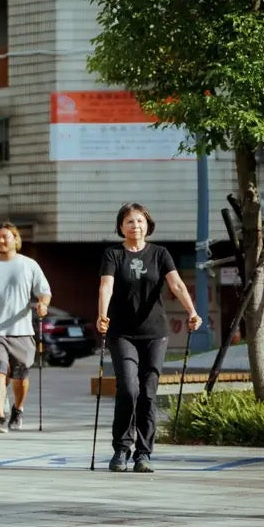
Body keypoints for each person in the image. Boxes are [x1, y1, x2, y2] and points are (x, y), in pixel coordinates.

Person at [97, 202, 201, 473]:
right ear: (121, 226)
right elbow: (106, 285)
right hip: (121, 332)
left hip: (155, 332)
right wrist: (102, 315)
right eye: (130, 222)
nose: (136, 226)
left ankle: (143, 453)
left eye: (140, 221)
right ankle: (121, 449)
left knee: (148, 393)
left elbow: (176, 283)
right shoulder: (113, 254)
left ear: (148, 224)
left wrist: (191, 310)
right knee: (129, 389)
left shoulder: (160, 253)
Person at [0, 222, 51, 434]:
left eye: (6, 236)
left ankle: (18, 408)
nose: (1, 240)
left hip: (22, 331)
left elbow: (44, 290)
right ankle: (0, 417)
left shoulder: (29, 265)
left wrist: (43, 304)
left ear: (16, 239)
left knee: (20, 378)